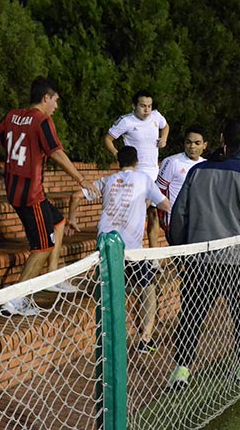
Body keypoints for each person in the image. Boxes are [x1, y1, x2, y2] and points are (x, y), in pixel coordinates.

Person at [166, 121, 240, 390]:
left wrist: (179, 249)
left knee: (191, 314)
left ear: (221, 139)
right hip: (239, 261)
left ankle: (182, 369)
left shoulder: (197, 172)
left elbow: (178, 215)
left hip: (199, 260)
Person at [0, 77, 100, 316]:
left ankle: (52, 275)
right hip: (31, 196)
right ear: (46, 98)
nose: (56, 106)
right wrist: (81, 179)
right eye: (55, 100)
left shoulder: (12, 116)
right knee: (43, 247)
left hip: (16, 189)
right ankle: (16, 298)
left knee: (57, 221)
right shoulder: (42, 120)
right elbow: (56, 152)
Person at [66, 146, 170, 353]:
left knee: (110, 292)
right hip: (131, 249)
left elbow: (76, 196)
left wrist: (72, 219)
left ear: (118, 162)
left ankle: (108, 341)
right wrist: (149, 201)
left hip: (105, 244)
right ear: (137, 161)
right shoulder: (144, 180)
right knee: (148, 289)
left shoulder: (107, 181)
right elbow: (166, 205)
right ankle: (145, 339)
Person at [104, 90, 169, 248]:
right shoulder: (126, 121)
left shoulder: (156, 116)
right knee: (138, 212)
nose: (146, 110)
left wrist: (164, 138)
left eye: (149, 106)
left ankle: (153, 257)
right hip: (137, 173)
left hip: (155, 171)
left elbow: (165, 126)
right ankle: (131, 249)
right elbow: (108, 138)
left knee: (153, 214)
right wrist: (117, 154)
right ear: (134, 106)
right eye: (142, 106)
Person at [156, 126, 208, 234]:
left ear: (204, 145)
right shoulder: (172, 162)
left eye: (197, 143)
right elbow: (158, 192)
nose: (192, 146)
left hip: (198, 223)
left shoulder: (207, 165)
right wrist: (165, 219)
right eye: (188, 142)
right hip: (175, 223)